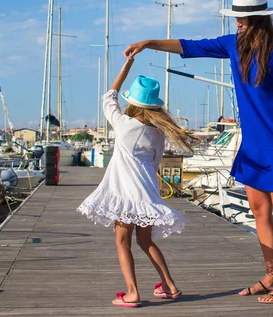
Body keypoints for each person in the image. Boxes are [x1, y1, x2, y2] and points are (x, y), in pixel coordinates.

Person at [123, 0, 273, 304]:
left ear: (257, 18)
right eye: (236, 19)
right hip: (252, 143)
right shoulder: (234, 45)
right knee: (259, 210)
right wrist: (150, 43)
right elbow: (190, 46)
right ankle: (272, 274)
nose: (238, 24)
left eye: (242, 19)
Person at [77, 55, 191, 307]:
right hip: (146, 193)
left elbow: (109, 96)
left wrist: (126, 66)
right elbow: (156, 162)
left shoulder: (123, 123)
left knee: (122, 242)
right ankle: (170, 285)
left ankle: (132, 292)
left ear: (133, 102)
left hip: (124, 193)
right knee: (145, 241)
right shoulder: (158, 132)